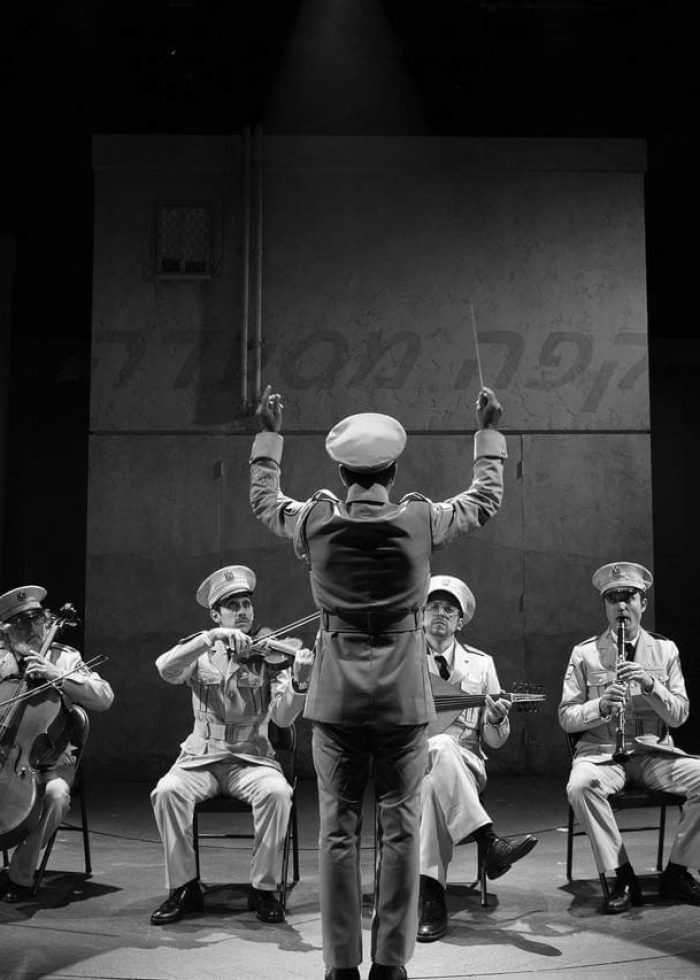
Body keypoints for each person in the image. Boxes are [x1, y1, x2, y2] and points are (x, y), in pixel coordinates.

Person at [249, 384, 507, 980]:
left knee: (337, 834)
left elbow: (265, 502)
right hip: (402, 700)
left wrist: (269, 438)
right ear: (394, 468)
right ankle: (390, 962)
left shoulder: (314, 519)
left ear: (340, 470)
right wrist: (488, 433)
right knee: (400, 831)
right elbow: (484, 500)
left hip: (336, 698)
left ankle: (341, 964)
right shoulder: (420, 519)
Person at [150, 564, 314, 925]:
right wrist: (207, 639)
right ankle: (184, 888)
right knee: (167, 792)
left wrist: (299, 684)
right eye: (232, 606)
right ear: (216, 614)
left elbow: (284, 719)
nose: (243, 611)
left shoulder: (271, 656)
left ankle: (264, 888)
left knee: (277, 794)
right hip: (201, 759)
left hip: (251, 760)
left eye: (246, 604)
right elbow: (165, 668)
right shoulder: (200, 653)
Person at [559, 561, 700, 913]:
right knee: (580, 786)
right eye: (613, 598)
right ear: (605, 606)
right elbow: (566, 717)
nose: (621, 605)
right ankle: (621, 873)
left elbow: (680, 715)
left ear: (643, 604)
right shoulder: (585, 653)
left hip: (653, 753)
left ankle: (678, 872)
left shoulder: (665, 650)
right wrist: (600, 707)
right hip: (602, 752)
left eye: (629, 597)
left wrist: (651, 685)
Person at [417, 574, 537, 942]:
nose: (440, 613)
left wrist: (498, 719)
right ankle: (487, 842)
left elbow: (494, 741)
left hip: (466, 766)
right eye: (433, 606)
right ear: (420, 614)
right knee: (429, 774)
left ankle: (431, 896)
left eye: (449, 609)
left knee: (441, 753)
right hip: (409, 763)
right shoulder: (400, 660)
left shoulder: (481, 665)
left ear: (460, 620)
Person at [0, 585, 114, 903]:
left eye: (37, 620)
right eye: (22, 624)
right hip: (4, 757)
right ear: (6, 630)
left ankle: (20, 876)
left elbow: (104, 698)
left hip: (46, 763)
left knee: (57, 795)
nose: (33, 629)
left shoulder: (64, 657)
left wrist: (58, 677)